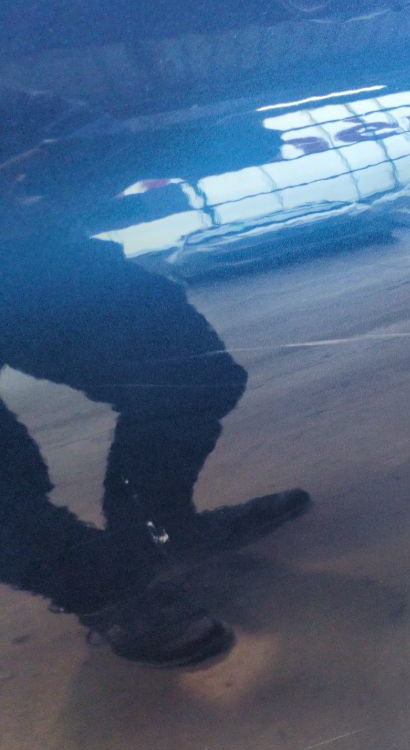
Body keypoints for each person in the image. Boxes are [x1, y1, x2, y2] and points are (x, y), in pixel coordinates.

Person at [0, 89, 310, 667]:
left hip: (25, 261)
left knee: (186, 375)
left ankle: (157, 534)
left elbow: (69, 128)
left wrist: (153, 150)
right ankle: (104, 586)